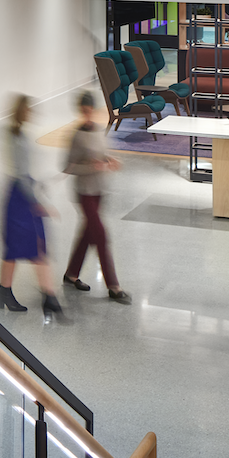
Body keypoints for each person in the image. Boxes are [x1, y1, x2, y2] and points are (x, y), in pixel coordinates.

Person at [0, 94, 69, 324]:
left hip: (18, 193)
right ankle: (49, 297)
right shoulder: (17, 138)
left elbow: (22, 172)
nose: (32, 113)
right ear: (23, 112)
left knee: (18, 247)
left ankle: (5, 291)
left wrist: (41, 183)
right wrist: (38, 203)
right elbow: (20, 174)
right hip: (21, 198)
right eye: (29, 110)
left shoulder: (16, 135)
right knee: (35, 245)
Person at [62, 90, 131, 303]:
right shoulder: (76, 135)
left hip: (100, 189)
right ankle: (113, 286)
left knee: (88, 233)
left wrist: (110, 160)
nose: (87, 114)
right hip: (84, 192)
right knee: (100, 234)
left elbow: (100, 155)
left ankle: (71, 274)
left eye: (89, 110)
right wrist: (91, 167)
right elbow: (67, 166)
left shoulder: (99, 130)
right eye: (83, 110)